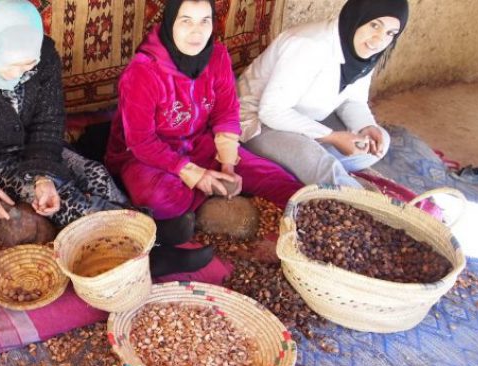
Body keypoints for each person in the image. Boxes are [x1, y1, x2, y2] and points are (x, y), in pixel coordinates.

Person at [106, 0, 304, 272]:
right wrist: (195, 174)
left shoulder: (218, 56)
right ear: (169, 23)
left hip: (200, 144)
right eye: (185, 21)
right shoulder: (143, 72)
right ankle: (194, 206)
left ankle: (307, 214)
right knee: (160, 199)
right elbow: (141, 142)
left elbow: (226, 112)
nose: (196, 32)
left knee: (277, 179)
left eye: (204, 21)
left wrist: (227, 165)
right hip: (149, 156)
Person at [0, 0, 128, 229]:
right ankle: (128, 241)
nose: (18, 74)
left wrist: (44, 175)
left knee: (96, 174)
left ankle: (141, 231)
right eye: (10, 65)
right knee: (67, 203)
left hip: (33, 146)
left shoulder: (44, 57)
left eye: (28, 65)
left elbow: (49, 121)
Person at [237, 0, 409, 188]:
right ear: (357, 17)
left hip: (305, 119)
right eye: (374, 25)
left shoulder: (363, 51)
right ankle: (360, 200)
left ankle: (307, 170)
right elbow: (271, 112)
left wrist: (365, 126)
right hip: (258, 122)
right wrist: (331, 137)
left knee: (376, 143)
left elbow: (352, 100)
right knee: (312, 158)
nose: (378, 40)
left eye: (390, 33)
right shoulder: (309, 45)